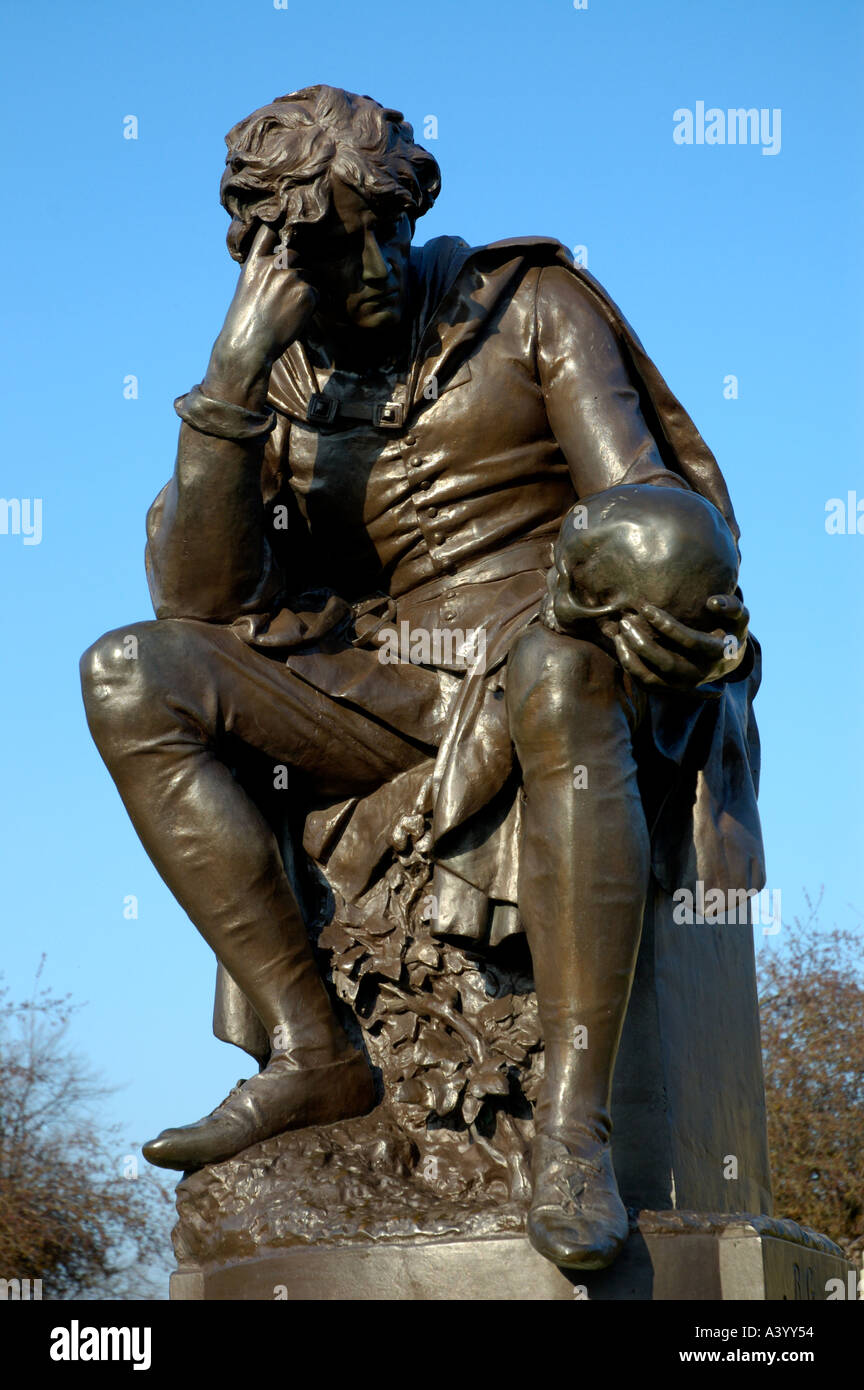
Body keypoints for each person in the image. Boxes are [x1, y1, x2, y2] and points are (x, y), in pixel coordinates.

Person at [80, 85, 762, 1271]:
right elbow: (199, 605)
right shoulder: (277, 382)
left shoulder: (529, 307)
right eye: (346, 251)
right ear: (278, 259)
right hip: (389, 686)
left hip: (548, 643)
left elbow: (639, 494)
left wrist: (633, 566)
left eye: (391, 230)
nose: (383, 269)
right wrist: (234, 375)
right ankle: (314, 1050)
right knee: (130, 674)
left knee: (560, 671)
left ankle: (572, 1129)